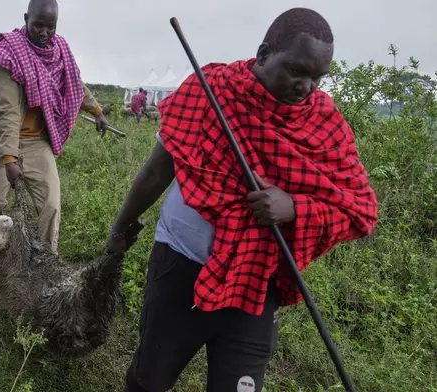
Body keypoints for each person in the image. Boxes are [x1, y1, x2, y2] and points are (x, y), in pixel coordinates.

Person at [107, 8, 379, 392]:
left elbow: (360, 209)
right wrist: (121, 226)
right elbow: (156, 172)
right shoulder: (210, 90)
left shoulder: (323, 123)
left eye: (318, 77)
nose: (307, 86)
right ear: (264, 53)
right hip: (182, 264)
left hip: (257, 280)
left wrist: (295, 207)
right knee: (149, 379)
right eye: (296, 70)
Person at [0, 0, 109, 254]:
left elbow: (74, 84)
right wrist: (9, 158)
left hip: (37, 142)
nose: (44, 33)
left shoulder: (59, 50)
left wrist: (97, 110)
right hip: (2, 141)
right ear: (26, 18)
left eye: (51, 27)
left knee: (51, 205)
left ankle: (46, 261)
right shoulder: (8, 54)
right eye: (38, 25)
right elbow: (8, 111)